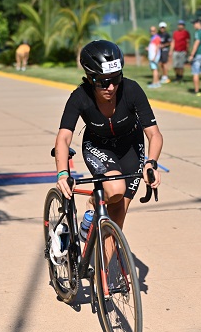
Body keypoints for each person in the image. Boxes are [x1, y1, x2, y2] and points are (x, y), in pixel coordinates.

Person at [54, 40, 163, 237]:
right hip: (98, 145)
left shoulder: (131, 90)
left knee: (117, 220)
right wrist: (62, 173)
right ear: (89, 78)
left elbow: (154, 133)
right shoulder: (80, 97)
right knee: (115, 189)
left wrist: (151, 163)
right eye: (103, 81)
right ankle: (93, 202)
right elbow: (63, 137)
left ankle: (100, 269)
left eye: (116, 78)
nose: (111, 87)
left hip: (131, 146)